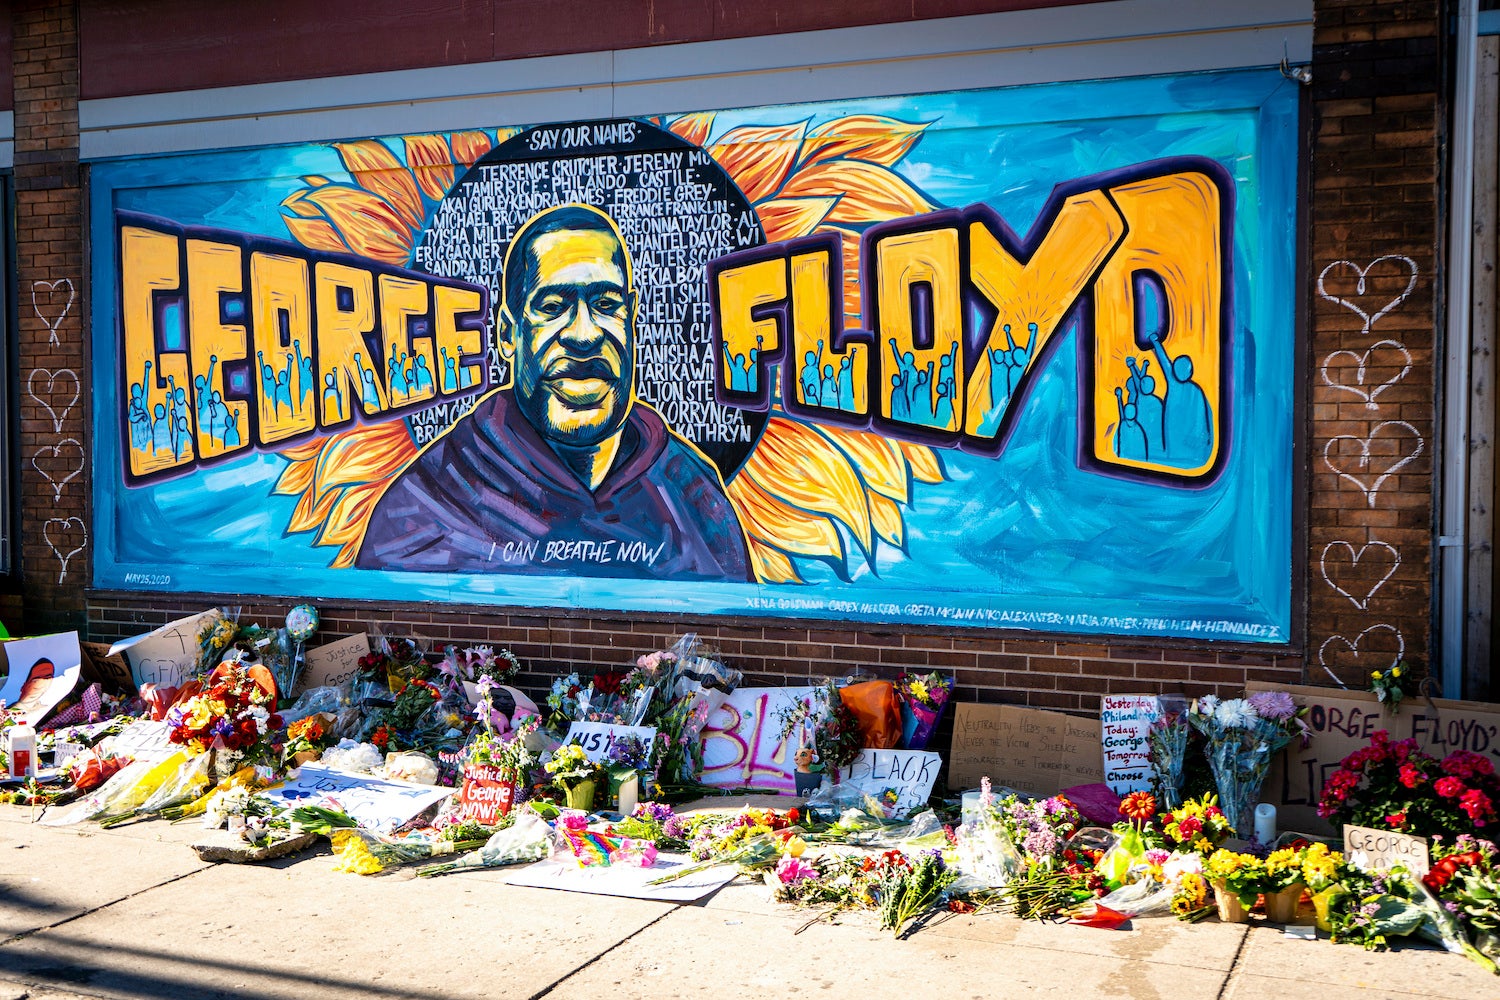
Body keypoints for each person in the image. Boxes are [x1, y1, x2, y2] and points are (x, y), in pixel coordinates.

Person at [357, 204, 753, 581]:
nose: (585, 335)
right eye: (552, 306)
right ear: (508, 335)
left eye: (605, 304)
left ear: (632, 321)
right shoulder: (430, 501)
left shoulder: (691, 494)